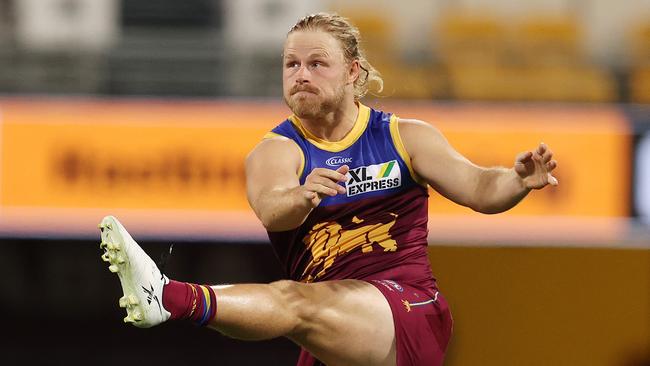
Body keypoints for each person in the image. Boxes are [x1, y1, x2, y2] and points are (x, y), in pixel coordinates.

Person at [99, 12, 558, 366]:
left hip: (405, 309)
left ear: (352, 73)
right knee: (297, 304)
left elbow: (480, 187)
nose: (301, 74)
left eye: (317, 63)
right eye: (291, 64)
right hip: (332, 326)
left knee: (292, 301)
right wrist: (302, 196)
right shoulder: (275, 151)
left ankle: (170, 296)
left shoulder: (404, 136)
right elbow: (272, 210)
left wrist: (517, 180)